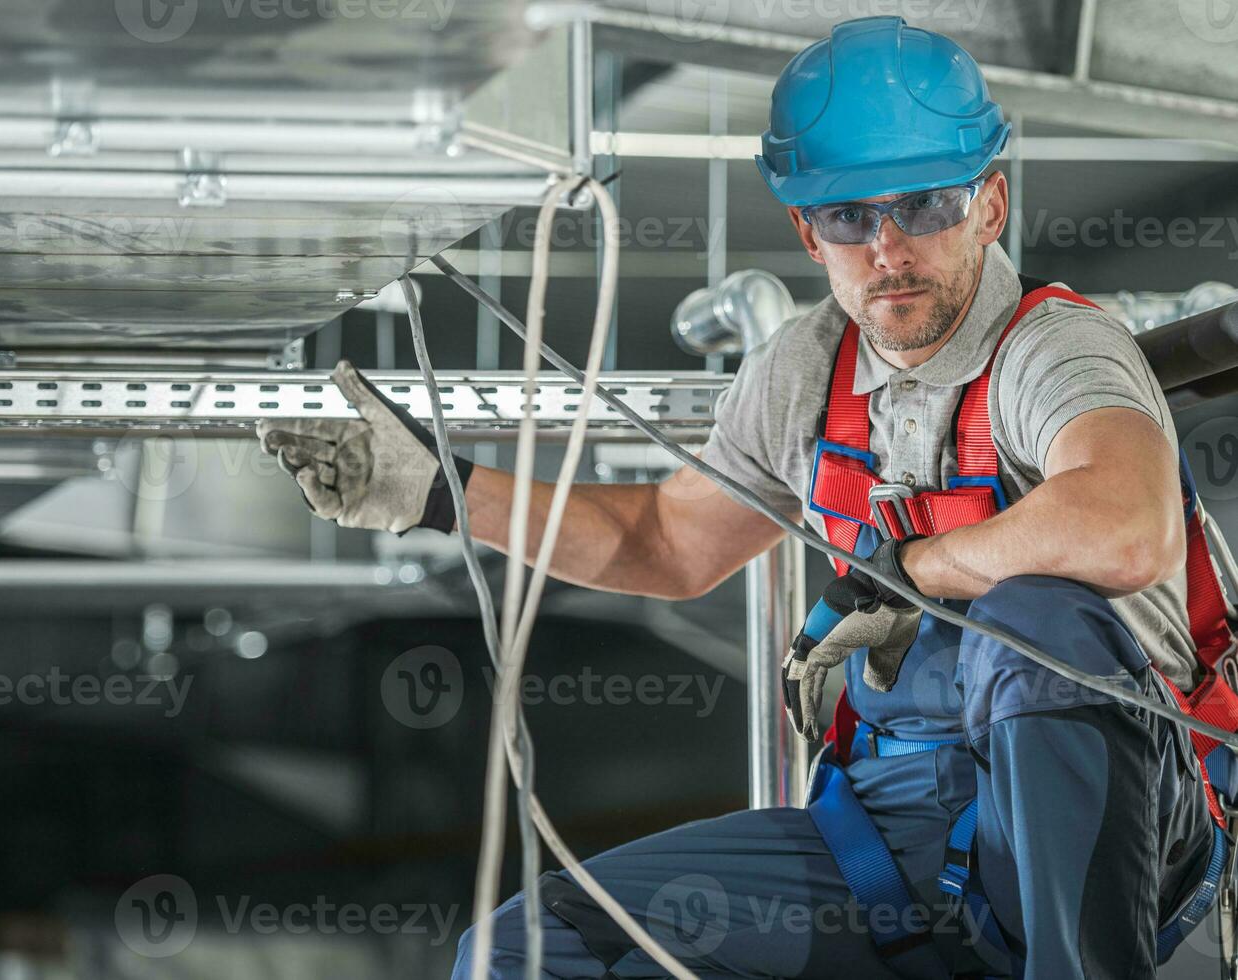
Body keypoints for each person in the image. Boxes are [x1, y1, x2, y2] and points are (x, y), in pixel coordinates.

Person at [258, 16, 1226, 978]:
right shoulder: (803, 371)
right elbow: (668, 539)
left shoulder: (1050, 349)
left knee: (1038, 614)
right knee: (522, 952)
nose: (889, 247)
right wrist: (437, 491)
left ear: (990, 204)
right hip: (897, 834)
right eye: (850, 216)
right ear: (808, 229)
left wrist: (905, 574)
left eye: (924, 205)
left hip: (1108, 823)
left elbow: (1123, 525)